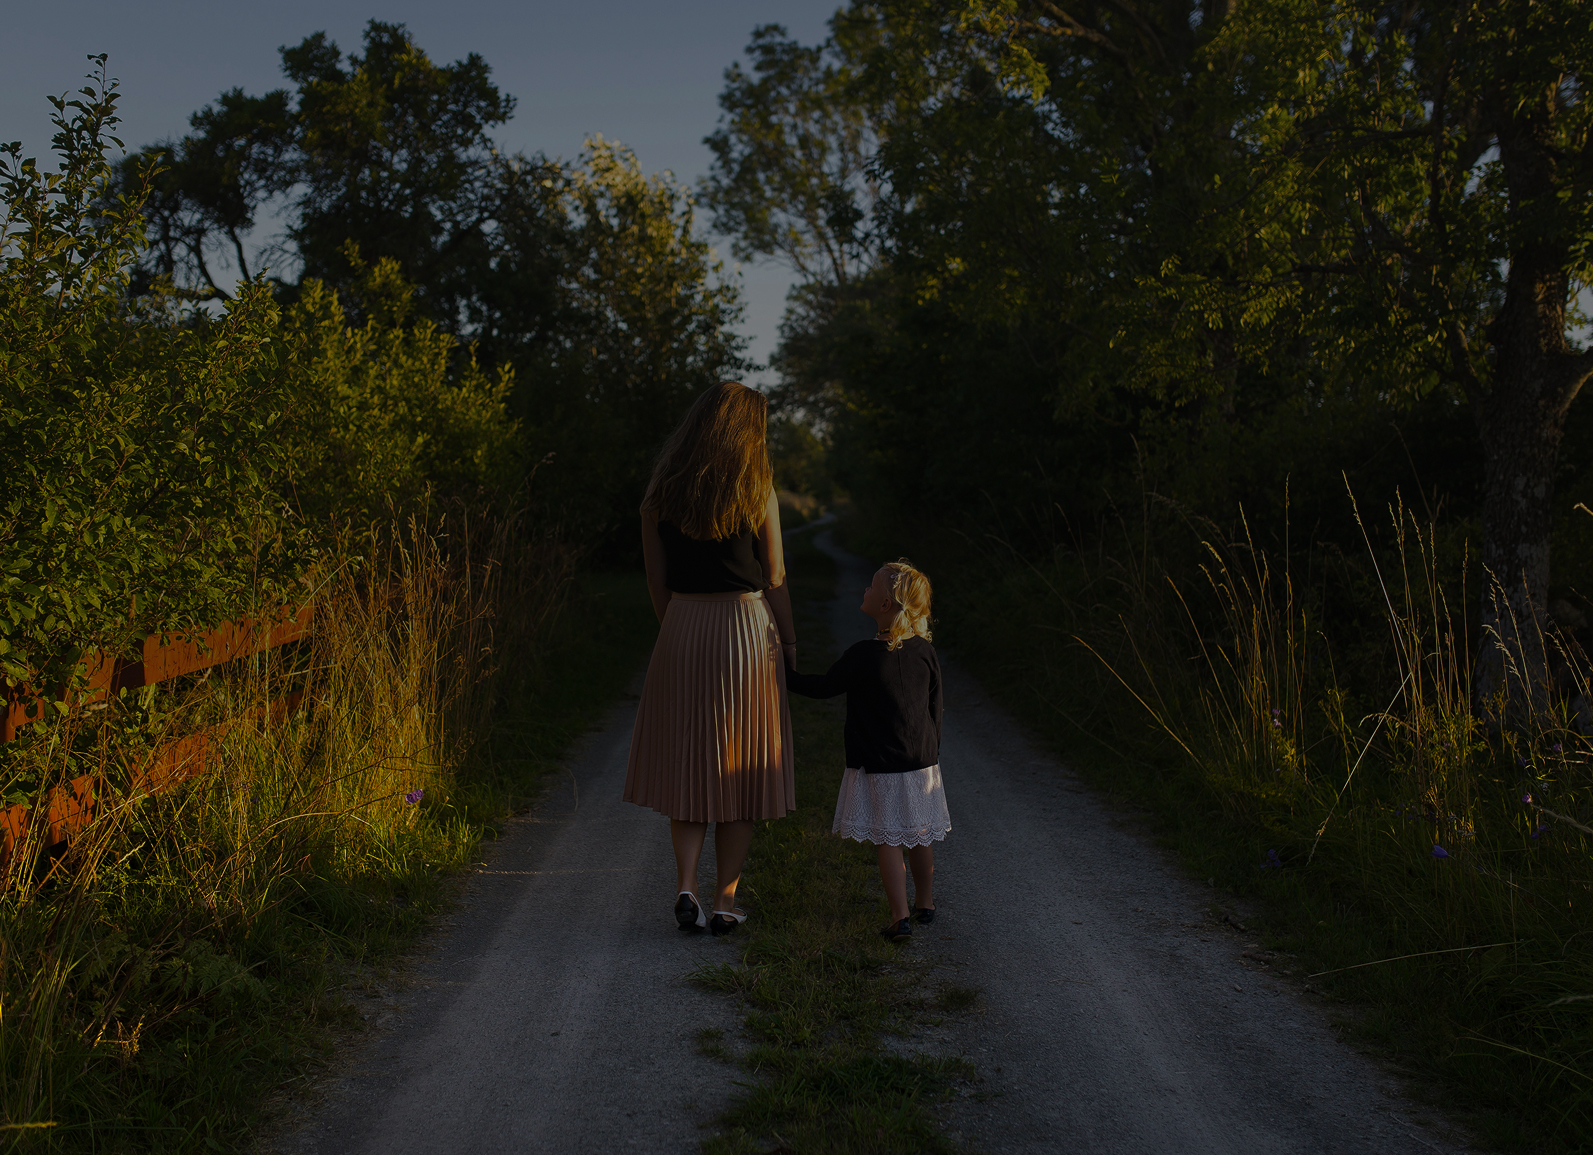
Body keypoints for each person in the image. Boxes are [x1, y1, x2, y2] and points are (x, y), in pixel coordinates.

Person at [624, 382, 798, 936]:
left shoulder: (660, 493)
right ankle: (725, 900)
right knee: (741, 766)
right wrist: (789, 644)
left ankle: (685, 886)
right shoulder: (757, 489)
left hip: (682, 626)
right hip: (745, 629)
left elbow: (655, 578)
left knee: (690, 763)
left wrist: (675, 626)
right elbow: (773, 578)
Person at [784, 560, 948, 942]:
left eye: (871, 587)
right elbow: (935, 706)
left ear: (886, 605)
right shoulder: (925, 651)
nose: (864, 590)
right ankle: (926, 904)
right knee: (921, 835)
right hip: (922, 762)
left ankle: (899, 917)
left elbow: (824, 687)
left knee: (888, 839)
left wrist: (781, 674)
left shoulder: (862, 655)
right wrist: (931, 752)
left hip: (881, 762)